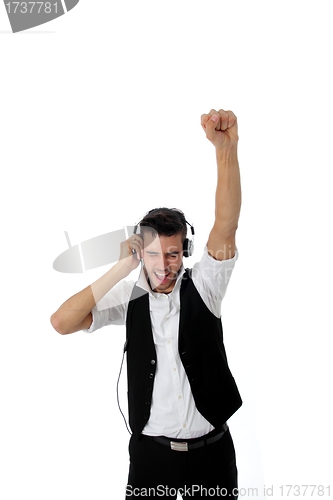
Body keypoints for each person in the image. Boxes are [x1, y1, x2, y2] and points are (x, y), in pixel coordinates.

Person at [51, 108, 242, 499]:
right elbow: (61, 322)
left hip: (212, 453)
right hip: (150, 458)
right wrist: (122, 267)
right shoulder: (130, 296)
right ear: (142, 253)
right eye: (154, 255)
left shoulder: (205, 286)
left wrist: (226, 150)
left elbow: (226, 224)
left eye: (173, 254)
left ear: (184, 252)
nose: (164, 266)